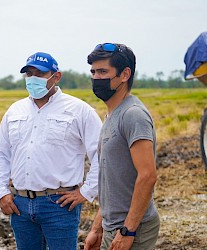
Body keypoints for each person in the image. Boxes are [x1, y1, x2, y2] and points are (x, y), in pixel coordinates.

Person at [0, 52, 102, 249]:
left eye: (39, 74)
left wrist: (86, 192)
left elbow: (102, 156)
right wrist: (1, 192)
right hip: (20, 206)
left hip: (59, 205)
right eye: (29, 74)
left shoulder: (79, 110)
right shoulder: (15, 111)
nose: (33, 79)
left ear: (56, 76)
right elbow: (0, 152)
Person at [84, 43, 160, 250]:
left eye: (103, 71)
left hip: (131, 229)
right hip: (113, 226)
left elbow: (147, 175)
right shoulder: (111, 115)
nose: (96, 78)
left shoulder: (132, 115)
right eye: (93, 72)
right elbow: (111, 181)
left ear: (125, 74)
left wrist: (128, 231)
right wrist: (97, 228)